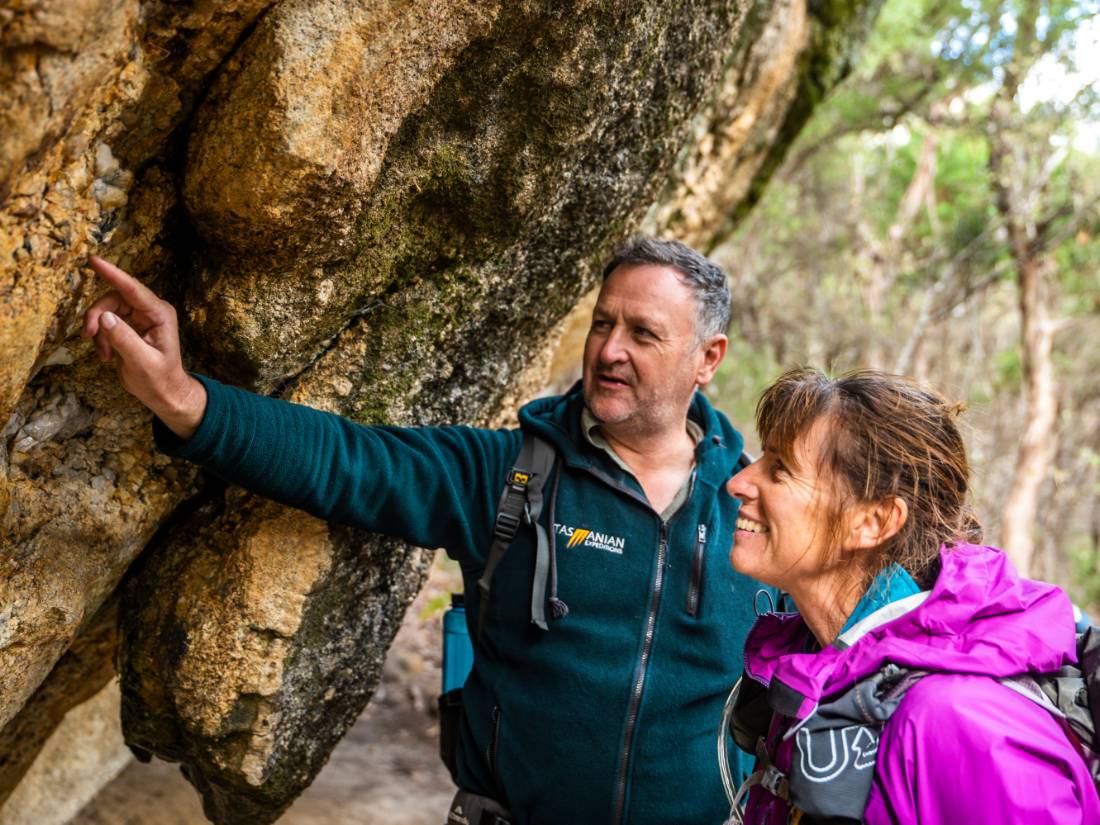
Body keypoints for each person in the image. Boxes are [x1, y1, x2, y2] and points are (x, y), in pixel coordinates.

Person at [81, 238, 768, 825]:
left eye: (642, 333)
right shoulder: (511, 473)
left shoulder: (756, 511)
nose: (610, 349)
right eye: (601, 323)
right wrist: (183, 399)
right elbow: (348, 462)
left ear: (708, 358)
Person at [724, 367, 1100, 824]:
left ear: (873, 522)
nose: (738, 482)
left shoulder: (956, 723)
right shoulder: (818, 664)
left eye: (780, 469)